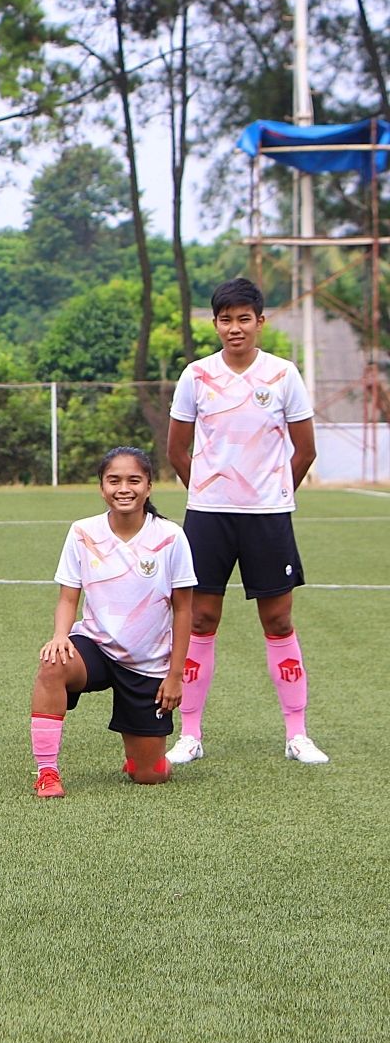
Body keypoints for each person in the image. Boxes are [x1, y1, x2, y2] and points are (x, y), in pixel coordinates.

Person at [165, 278, 328, 764]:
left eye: (243, 318)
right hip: (209, 518)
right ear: (214, 324)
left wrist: (274, 494)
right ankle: (189, 736)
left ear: (260, 322)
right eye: (225, 319)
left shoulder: (283, 375)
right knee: (201, 619)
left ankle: (296, 734)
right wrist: (208, 491)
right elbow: (177, 449)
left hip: (268, 518)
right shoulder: (196, 375)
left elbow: (306, 450)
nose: (234, 328)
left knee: (278, 620)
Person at [31, 447, 194, 798]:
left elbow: (183, 611)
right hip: (97, 647)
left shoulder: (170, 537)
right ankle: (47, 772)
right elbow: (67, 597)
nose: (124, 488)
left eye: (134, 480)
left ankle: (140, 757)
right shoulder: (82, 532)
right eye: (114, 480)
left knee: (149, 776)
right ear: (102, 487)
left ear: (149, 486)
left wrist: (176, 675)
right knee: (52, 663)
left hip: (147, 663)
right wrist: (60, 635)